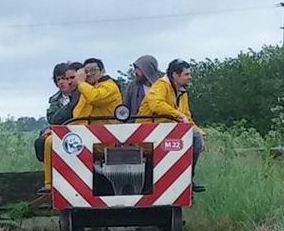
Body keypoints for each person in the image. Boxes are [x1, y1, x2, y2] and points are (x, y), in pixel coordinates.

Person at [39, 57, 122, 193]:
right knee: (49, 141)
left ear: (102, 71)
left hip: (105, 135)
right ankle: (50, 184)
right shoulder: (88, 89)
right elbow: (78, 114)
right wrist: (60, 132)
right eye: (86, 71)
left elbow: (95, 98)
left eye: (93, 70)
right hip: (86, 134)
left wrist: (81, 83)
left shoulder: (110, 86)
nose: (89, 74)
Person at [137, 58, 206, 192]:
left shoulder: (182, 91)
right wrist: (177, 115)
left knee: (197, 137)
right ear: (175, 75)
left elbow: (187, 116)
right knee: (195, 138)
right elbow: (156, 104)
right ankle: (186, 179)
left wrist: (201, 133)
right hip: (148, 129)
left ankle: (186, 179)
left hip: (167, 130)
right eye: (186, 74)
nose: (189, 77)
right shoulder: (161, 85)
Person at [34, 62, 81, 162]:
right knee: (41, 141)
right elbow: (53, 119)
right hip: (60, 131)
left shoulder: (83, 93)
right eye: (58, 79)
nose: (61, 82)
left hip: (78, 131)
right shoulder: (55, 100)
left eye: (64, 78)